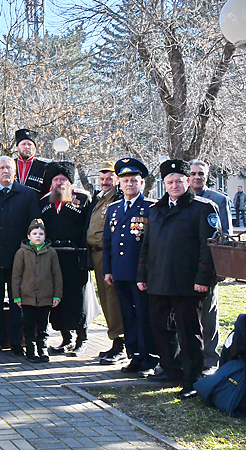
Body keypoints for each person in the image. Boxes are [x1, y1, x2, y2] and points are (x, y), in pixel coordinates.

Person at [138, 159, 219, 399]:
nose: (174, 186)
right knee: (160, 328)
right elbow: (147, 246)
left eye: (179, 181)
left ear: (188, 182)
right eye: (170, 182)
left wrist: (203, 278)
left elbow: (209, 248)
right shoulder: (156, 210)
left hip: (187, 283)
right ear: (164, 184)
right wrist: (142, 275)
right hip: (159, 281)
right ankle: (172, 370)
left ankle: (192, 378)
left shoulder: (203, 208)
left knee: (189, 332)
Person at [0, 156, 40, 356]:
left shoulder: (27, 195)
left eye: (9, 168)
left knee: (17, 302)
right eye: (1, 168)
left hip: (19, 260)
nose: (5, 171)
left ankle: (15, 342)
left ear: (15, 172)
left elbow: (35, 227)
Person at [103, 158, 159, 376]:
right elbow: (107, 242)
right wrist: (108, 270)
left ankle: (149, 358)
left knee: (144, 316)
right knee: (127, 315)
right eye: (125, 180)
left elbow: (152, 245)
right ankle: (134, 355)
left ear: (142, 183)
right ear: (119, 182)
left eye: (133, 180)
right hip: (119, 273)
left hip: (140, 274)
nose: (129, 184)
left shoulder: (150, 208)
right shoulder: (114, 209)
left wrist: (144, 273)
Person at [40, 161, 91, 356]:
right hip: (54, 258)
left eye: (63, 179)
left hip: (76, 257)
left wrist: (86, 254)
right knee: (58, 299)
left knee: (78, 299)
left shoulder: (83, 199)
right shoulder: (44, 201)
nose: (60, 183)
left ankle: (82, 339)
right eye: (56, 179)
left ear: (70, 182)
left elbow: (88, 227)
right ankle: (65, 338)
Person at [190, 159, 231, 372]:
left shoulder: (218, 200)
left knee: (208, 315)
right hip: (184, 268)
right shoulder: (181, 199)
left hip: (208, 269)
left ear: (207, 176)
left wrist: (219, 269)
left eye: (201, 174)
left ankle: (209, 358)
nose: (197, 177)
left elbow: (225, 237)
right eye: (193, 173)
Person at [85, 161, 125, 365]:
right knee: (105, 299)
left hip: (109, 255)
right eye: (102, 179)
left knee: (113, 299)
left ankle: (120, 343)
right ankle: (114, 339)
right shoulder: (99, 199)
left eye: (109, 178)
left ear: (117, 179)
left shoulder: (118, 199)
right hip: (96, 254)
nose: (105, 182)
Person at [12, 219, 62, 363]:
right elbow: (16, 276)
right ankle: (31, 349)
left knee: (43, 325)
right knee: (28, 325)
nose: (38, 236)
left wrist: (57, 295)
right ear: (29, 236)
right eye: (34, 233)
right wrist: (17, 296)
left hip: (45, 297)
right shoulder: (21, 253)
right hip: (27, 297)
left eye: (41, 233)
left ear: (45, 236)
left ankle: (42, 348)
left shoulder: (51, 253)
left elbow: (56, 275)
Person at [14, 129, 49, 197]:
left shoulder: (44, 166)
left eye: (29, 144)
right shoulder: (9, 164)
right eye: (23, 144)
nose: (26, 147)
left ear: (35, 148)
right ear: (17, 147)